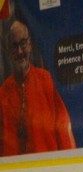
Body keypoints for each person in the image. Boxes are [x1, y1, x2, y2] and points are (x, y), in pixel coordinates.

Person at [0, 19, 76, 156]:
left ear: (29, 44)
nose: (19, 51)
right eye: (14, 46)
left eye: (23, 43)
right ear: (8, 51)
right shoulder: (3, 93)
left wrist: (69, 165)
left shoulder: (45, 80)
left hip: (47, 168)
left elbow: (62, 127)